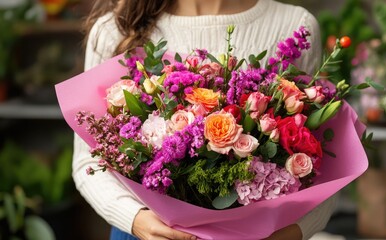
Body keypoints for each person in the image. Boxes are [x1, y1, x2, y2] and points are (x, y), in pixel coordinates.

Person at [73, 0, 338, 239]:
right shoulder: (115, 29)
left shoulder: (295, 25)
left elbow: (325, 166)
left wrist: (293, 232)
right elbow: (88, 159)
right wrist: (135, 219)